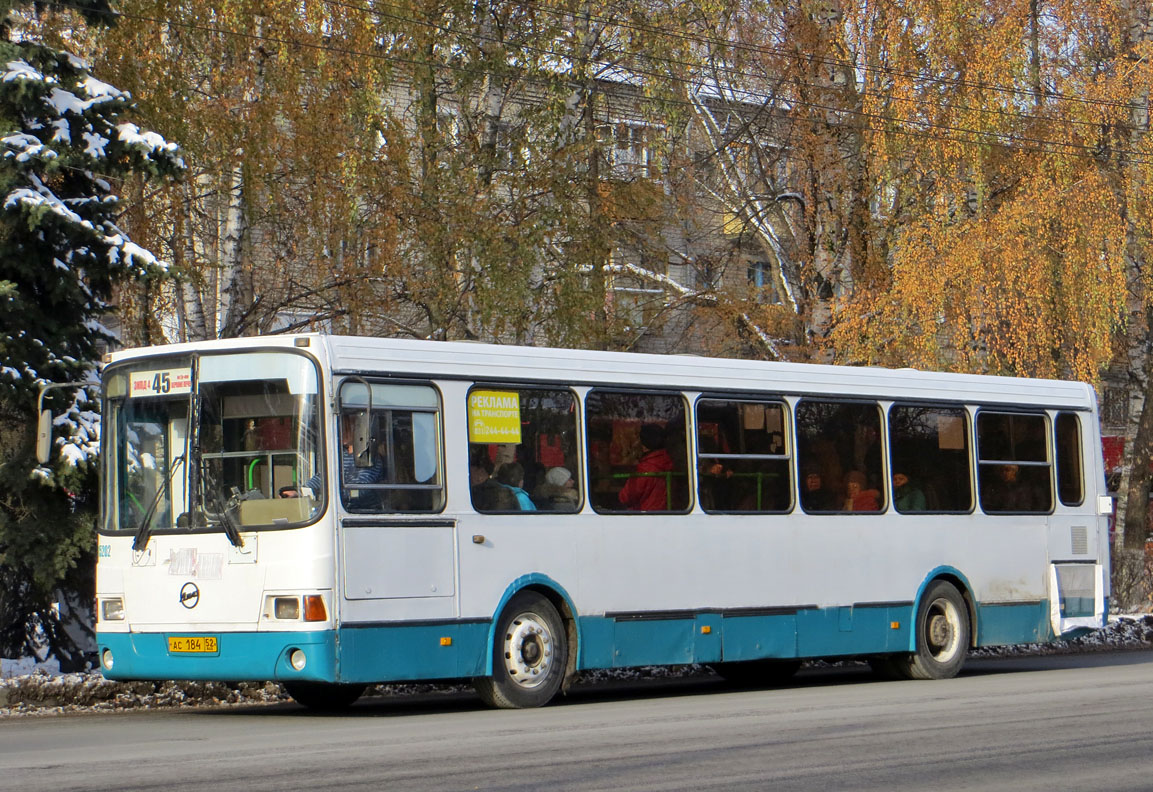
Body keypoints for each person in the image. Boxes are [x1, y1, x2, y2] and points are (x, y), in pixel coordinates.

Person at [619, 423, 674, 512]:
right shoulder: (669, 462)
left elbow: (625, 497)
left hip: (646, 518)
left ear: (644, 447)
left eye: (638, 439)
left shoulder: (645, 469)